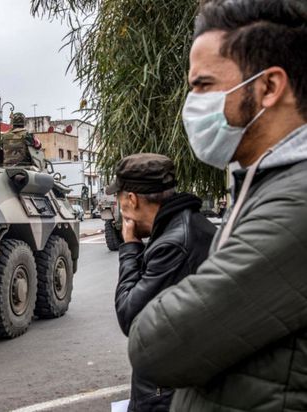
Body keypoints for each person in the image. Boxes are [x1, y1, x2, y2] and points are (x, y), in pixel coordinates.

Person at [128, 1, 307, 411]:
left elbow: (157, 344)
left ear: (268, 87)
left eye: (204, 85)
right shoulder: (263, 182)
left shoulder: (296, 201)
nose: (191, 103)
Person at [106, 153, 215, 412]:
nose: (120, 208)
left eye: (119, 199)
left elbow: (130, 317)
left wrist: (130, 247)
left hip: (167, 391)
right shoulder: (187, 224)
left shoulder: (173, 244)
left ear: (131, 199)